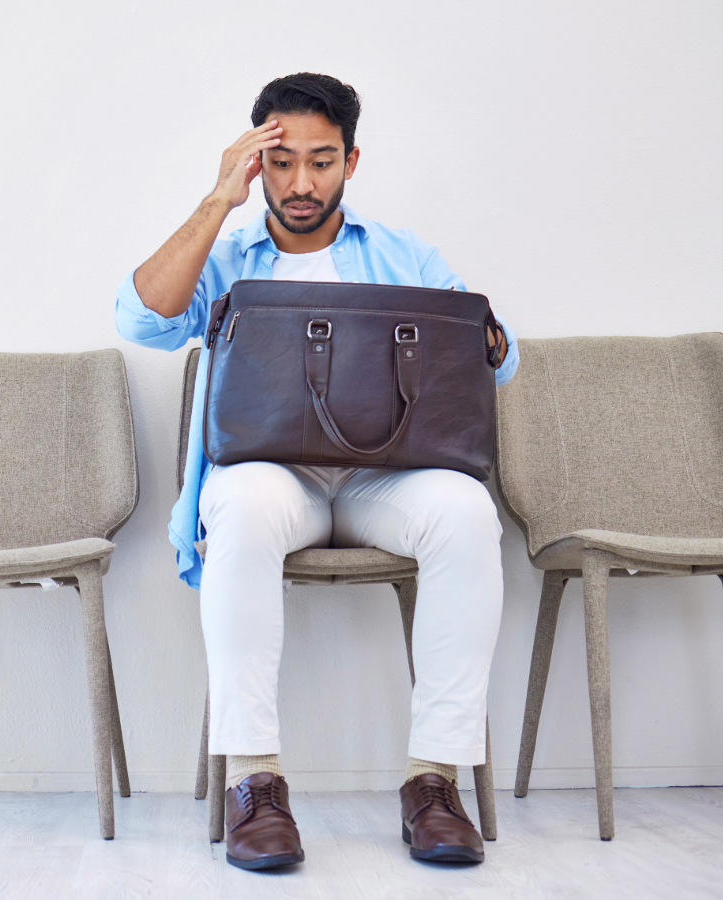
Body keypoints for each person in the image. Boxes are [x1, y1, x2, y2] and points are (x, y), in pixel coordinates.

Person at [114, 73, 519, 870]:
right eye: (283, 160)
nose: (302, 183)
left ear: (352, 162)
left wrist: (490, 338)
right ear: (256, 160)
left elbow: (497, 367)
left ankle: (434, 782)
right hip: (274, 477)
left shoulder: (403, 254)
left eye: (323, 161)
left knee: (468, 512)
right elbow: (142, 320)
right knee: (242, 504)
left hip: (385, 480)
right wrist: (215, 202)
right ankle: (254, 782)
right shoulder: (227, 255)